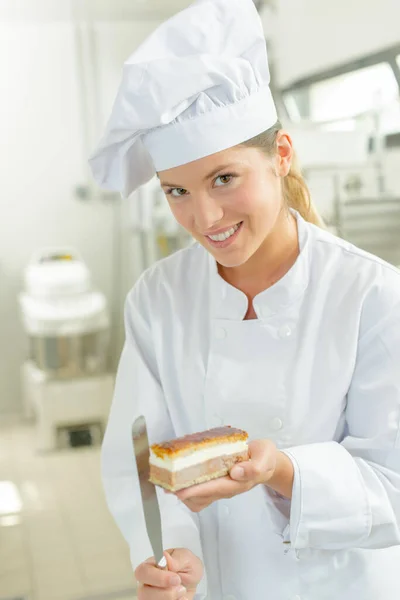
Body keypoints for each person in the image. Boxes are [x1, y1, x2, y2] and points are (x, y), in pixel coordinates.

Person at [89, 1, 400, 599]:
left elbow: (393, 485)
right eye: (176, 190)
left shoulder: (371, 294)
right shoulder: (158, 298)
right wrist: (170, 554)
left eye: (224, 179)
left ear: (281, 155)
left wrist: (283, 471)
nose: (203, 217)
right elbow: (141, 457)